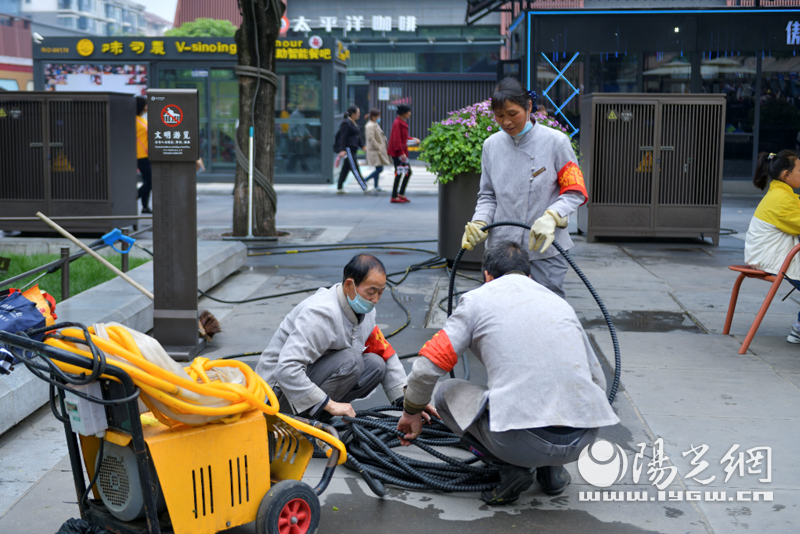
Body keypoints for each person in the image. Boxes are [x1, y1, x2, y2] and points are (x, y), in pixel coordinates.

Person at [397, 241, 619, 505]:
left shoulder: (477, 300)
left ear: (487, 276)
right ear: (529, 276)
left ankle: (512, 471)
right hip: (582, 440)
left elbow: (426, 366)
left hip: (520, 444)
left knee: (445, 391)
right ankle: (552, 472)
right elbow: (597, 380)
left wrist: (412, 411)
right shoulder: (559, 304)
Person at [256, 254, 437, 422]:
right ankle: (300, 426)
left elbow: (384, 352)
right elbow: (286, 369)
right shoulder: (321, 313)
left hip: (302, 385)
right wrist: (330, 404)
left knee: (376, 364)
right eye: (371, 292)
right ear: (349, 285)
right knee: (351, 360)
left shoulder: (365, 312)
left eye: (380, 292)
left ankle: (317, 417)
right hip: (273, 398)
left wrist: (410, 402)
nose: (375, 300)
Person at [461, 77, 587, 299]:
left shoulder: (556, 142)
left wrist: (552, 215)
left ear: (529, 106)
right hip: (501, 251)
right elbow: (488, 195)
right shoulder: (491, 145)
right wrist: (480, 221)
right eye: (499, 116)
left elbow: (574, 190)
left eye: (512, 114)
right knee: (498, 310)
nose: (506, 122)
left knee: (547, 310)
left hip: (544, 249)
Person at [745, 150, 800, 343]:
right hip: (769, 257)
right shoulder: (782, 199)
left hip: (769, 253)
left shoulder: (780, 193)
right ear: (787, 174)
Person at [387, 104, 420, 204]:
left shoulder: (401, 122)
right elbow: (397, 140)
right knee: (401, 173)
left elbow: (403, 137)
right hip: (397, 153)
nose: (410, 113)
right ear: (403, 113)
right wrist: (401, 153)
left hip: (400, 152)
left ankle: (400, 194)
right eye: (408, 111)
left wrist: (413, 139)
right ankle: (394, 195)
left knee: (404, 172)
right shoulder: (397, 123)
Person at [335, 105, 367, 194]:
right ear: (353, 114)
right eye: (358, 113)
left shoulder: (353, 122)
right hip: (348, 149)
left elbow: (357, 136)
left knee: (345, 169)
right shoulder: (346, 123)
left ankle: (339, 187)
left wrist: (362, 145)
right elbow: (343, 137)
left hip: (353, 148)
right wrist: (342, 150)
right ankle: (364, 187)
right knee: (355, 168)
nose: (359, 114)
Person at [364, 109, 392, 193]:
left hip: (377, 150)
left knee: (378, 167)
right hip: (375, 150)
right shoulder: (370, 125)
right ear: (374, 117)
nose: (379, 117)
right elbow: (371, 137)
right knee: (380, 169)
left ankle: (376, 186)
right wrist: (378, 146)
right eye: (378, 116)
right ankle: (365, 180)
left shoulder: (374, 124)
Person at [135, 96, 152, 214]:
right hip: (140, 155)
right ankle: (134, 197)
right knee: (151, 181)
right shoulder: (134, 120)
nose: (147, 107)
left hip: (146, 155)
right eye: (145, 104)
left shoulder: (142, 119)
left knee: (148, 180)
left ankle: (145, 206)